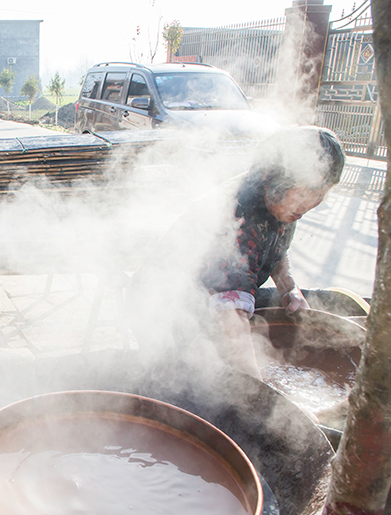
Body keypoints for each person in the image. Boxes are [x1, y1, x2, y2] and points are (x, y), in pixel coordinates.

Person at [127, 126, 345, 379]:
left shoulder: (281, 201)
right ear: (273, 179)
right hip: (162, 307)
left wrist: (289, 288)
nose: (311, 203)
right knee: (179, 381)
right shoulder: (236, 216)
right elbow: (233, 323)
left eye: (321, 193)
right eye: (305, 192)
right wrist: (263, 393)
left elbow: (272, 244)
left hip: (209, 300)